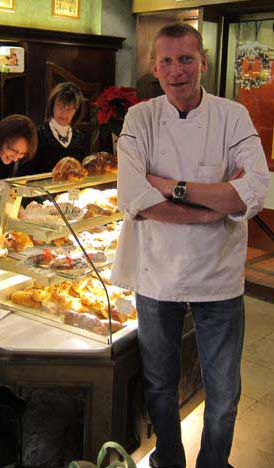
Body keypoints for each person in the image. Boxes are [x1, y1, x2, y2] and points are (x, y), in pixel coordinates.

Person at [111, 23, 269, 468]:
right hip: (156, 275)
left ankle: (213, 463)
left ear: (203, 62)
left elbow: (254, 190)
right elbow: (133, 198)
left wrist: (168, 186)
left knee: (223, 391)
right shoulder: (140, 118)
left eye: (186, 59)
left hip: (218, 277)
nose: (177, 70)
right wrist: (211, 206)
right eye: (166, 60)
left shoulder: (232, 115)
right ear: (153, 67)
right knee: (159, 384)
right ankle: (169, 460)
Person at [21, 81, 88, 175]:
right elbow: (27, 173)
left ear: (76, 111)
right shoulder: (38, 135)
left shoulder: (80, 137)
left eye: (70, 109)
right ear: (52, 105)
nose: (64, 113)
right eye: (60, 107)